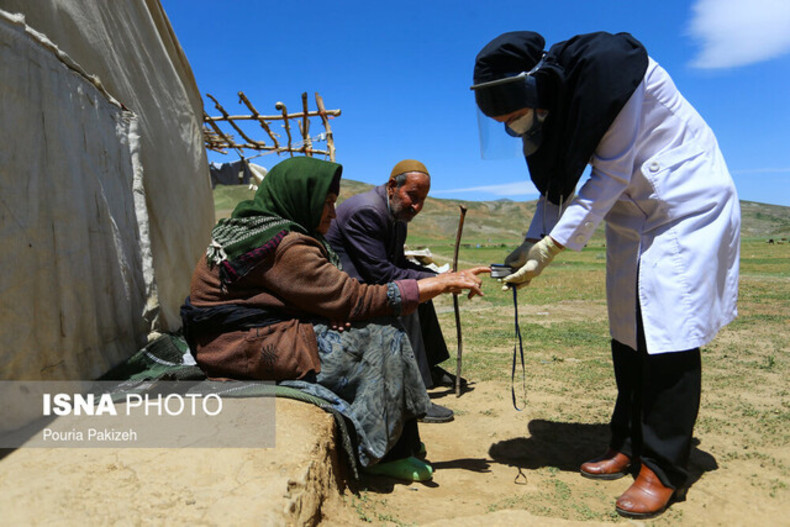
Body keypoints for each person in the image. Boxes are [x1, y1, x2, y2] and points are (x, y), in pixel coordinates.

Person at [471, 31, 740, 518]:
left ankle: (663, 468)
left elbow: (609, 175)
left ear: (531, 91)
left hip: (683, 206)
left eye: (512, 118)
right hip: (633, 216)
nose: (513, 130)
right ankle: (629, 443)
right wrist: (533, 238)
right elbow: (556, 184)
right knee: (628, 330)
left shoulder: (612, 77)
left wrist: (551, 246)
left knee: (669, 333)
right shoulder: (558, 103)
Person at [181, 156, 488, 482]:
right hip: (240, 349)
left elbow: (293, 294)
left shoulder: (254, 229)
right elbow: (356, 297)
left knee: (374, 323)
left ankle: (403, 437)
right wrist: (439, 283)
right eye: (326, 203)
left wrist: (329, 309)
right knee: (382, 335)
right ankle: (381, 453)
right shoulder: (284, 246)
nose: (332, 212)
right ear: (300, 198)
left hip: (240, 337)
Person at [325, 159, 464, 424]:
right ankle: (414, 397)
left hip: (368, 281)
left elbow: (398, 263)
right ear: (392, 186)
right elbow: (383, 274)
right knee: (407, 297)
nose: (417, 206)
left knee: (423, 294)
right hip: (346, 292)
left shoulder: (397, 214)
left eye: (422, 199)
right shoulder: (367, 211)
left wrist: (440, 279)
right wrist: (437, 283)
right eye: (413, 196)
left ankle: (430, 369)